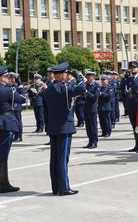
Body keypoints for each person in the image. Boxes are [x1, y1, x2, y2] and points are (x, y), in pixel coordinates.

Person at [43, 62, 86, 196]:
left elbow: (45, 110)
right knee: (62, 158)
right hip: (64, 127)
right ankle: (64, 188)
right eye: (66, 74)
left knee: (54, 158)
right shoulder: (62, 88)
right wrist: (78, 77)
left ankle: (56, 187)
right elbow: (81, 88)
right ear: (62, 75)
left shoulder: (49, 88)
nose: (68, 76)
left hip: (53, 127)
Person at [0, 66, 26, 193]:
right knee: (3, 156)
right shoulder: (7, 90)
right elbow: (22, 99)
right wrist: (20, 86)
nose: (8, 78)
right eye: (6, 76)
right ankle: (3, 184)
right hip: (5, 123)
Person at [126, 61, 138, 153]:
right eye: (131, 67)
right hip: (130, 104)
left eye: (134, 67)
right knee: (134, 126)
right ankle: (137, 144)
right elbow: (122, 89)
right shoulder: (128, 79)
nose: (132, 69)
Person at [82, 70, 100, 149]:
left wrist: (86, 92)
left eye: (90, 76)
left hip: (92, 108)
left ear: (93, 77)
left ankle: (94, 142)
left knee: (93, 126)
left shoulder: (96, 86)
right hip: (85, 107)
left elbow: (94, 97)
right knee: (88, 126)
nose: (88, 78)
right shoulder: (85, 85)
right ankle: (90, 141)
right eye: (87, 77)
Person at [9, 73, 25, 142]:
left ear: (16, 79)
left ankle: (19, 136)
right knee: (13, 122)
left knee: (18, 122)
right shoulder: (10, 86)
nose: (11, 79)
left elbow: (22, 97)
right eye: (10, 78)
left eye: (12, 78)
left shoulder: (19, 87)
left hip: (17, 107)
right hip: (11, 107)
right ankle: (14, 135)